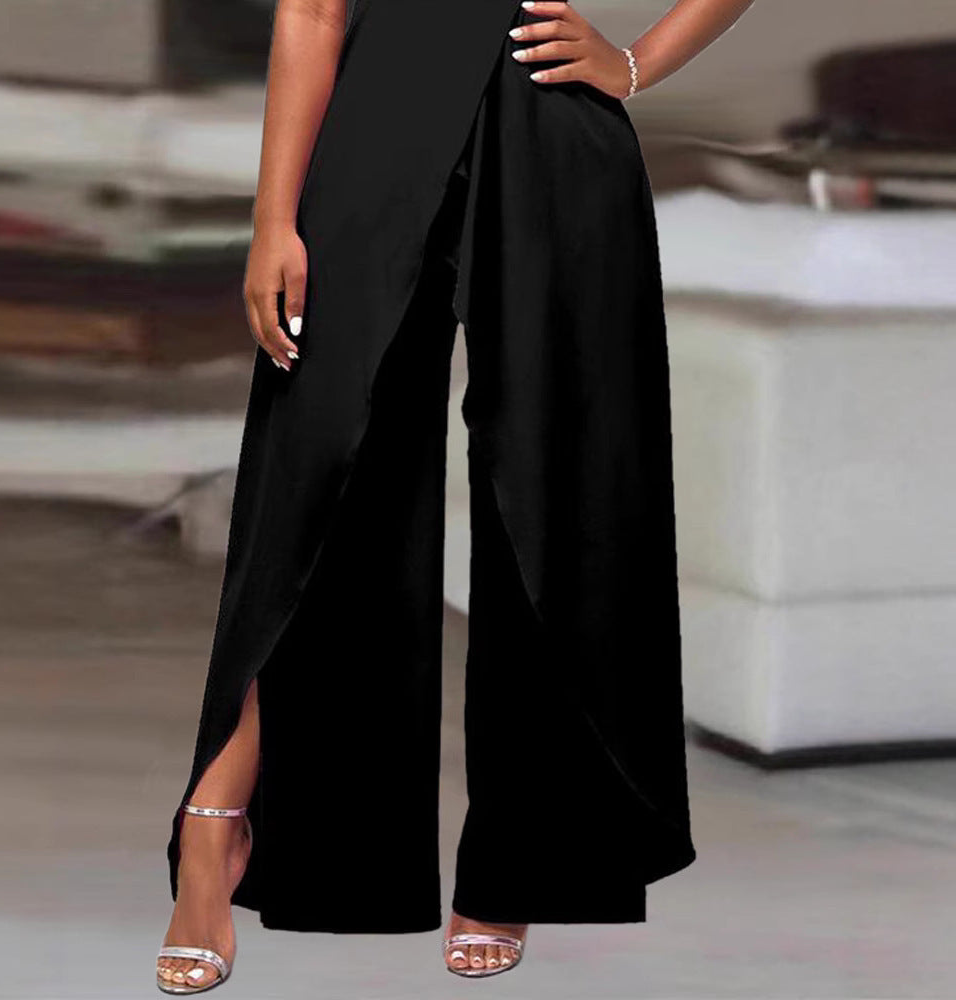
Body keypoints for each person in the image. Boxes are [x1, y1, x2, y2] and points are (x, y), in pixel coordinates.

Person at [156, 0, 754, 991]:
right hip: (372, 123)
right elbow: (313, 9)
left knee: (554, 494)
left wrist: (636, 64)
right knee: (317, 488)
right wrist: (273, 219)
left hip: (548, 130)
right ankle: (214, 828)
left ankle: (522, 854)